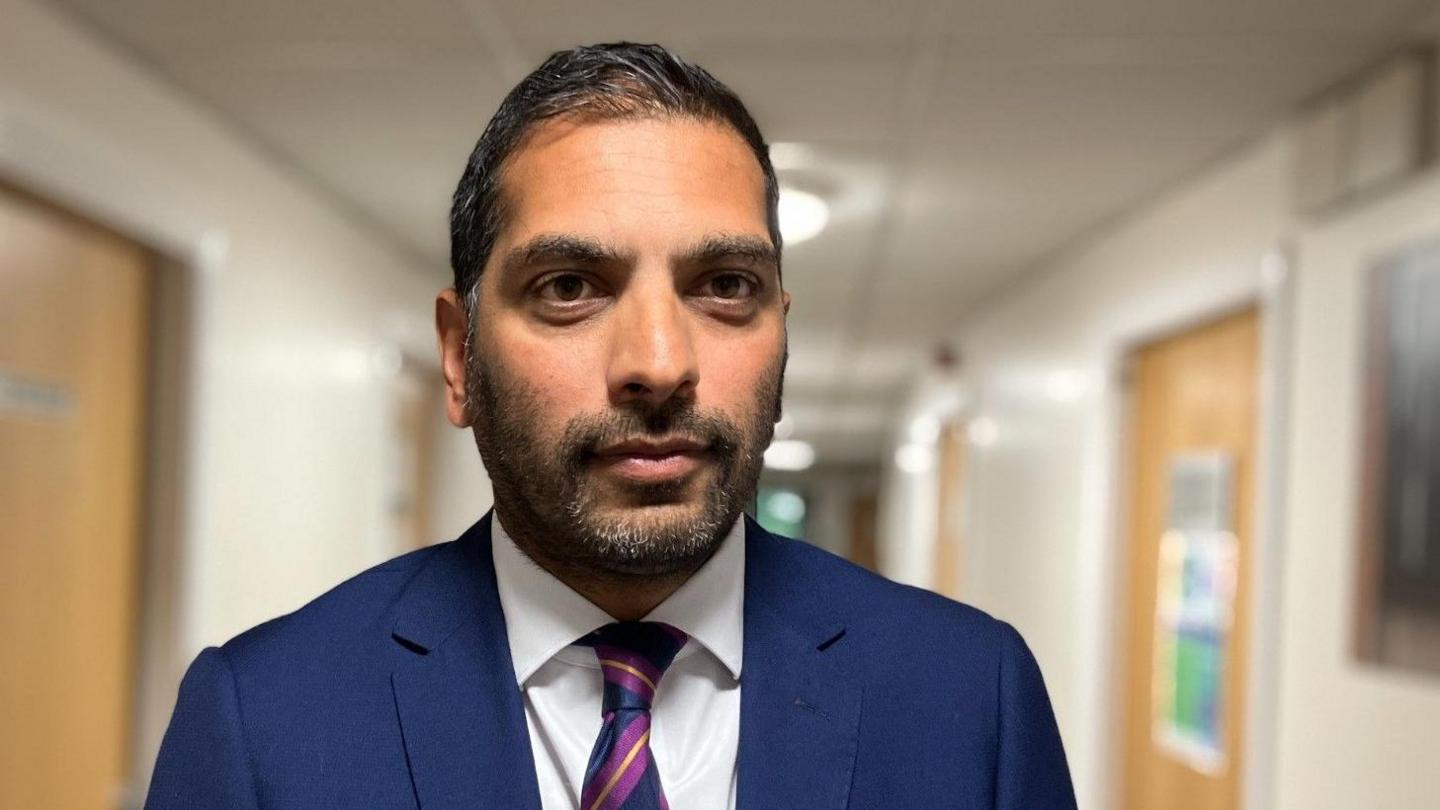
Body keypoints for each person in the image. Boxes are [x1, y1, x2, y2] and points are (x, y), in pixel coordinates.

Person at [146, 42, 1076, 809]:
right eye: (569, 288)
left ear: (782, 341)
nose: (660, 363)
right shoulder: (264, 720)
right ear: (460, 356)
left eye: (725, 286)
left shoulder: (969, 696)